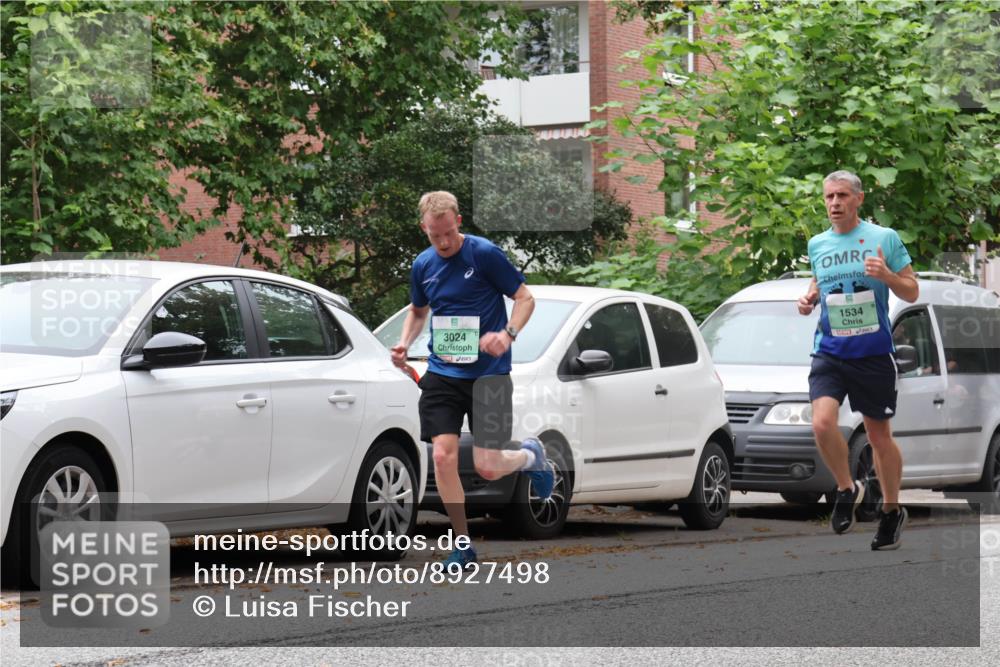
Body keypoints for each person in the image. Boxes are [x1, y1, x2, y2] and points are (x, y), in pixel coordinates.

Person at [391, 191, 554, 569]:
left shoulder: (483, 254)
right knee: (444, 457)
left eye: (448, 233)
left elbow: (525, 298)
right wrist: (403, 343)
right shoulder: (423, 265)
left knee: (487, 467)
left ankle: (531, 456)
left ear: (458, 222)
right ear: (424, 229)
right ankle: (462, 544)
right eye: (435, 236)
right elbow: (418, 311)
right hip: (443, 373)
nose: (444, 243)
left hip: (490, 375)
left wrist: (507, 334)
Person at [798, 170, 919, 550]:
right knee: (821, 424)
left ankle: (891, 510)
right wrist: (808, 299)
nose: (835, 203)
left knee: (879, 437)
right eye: (829, 197)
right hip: (830, 351)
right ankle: (846, 487)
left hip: (872, 354)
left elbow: (912, 290)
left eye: (842, 196)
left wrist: (887, 275)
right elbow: (819, 285)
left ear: (859, 199)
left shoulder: (884, 238)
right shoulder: (818, 244)